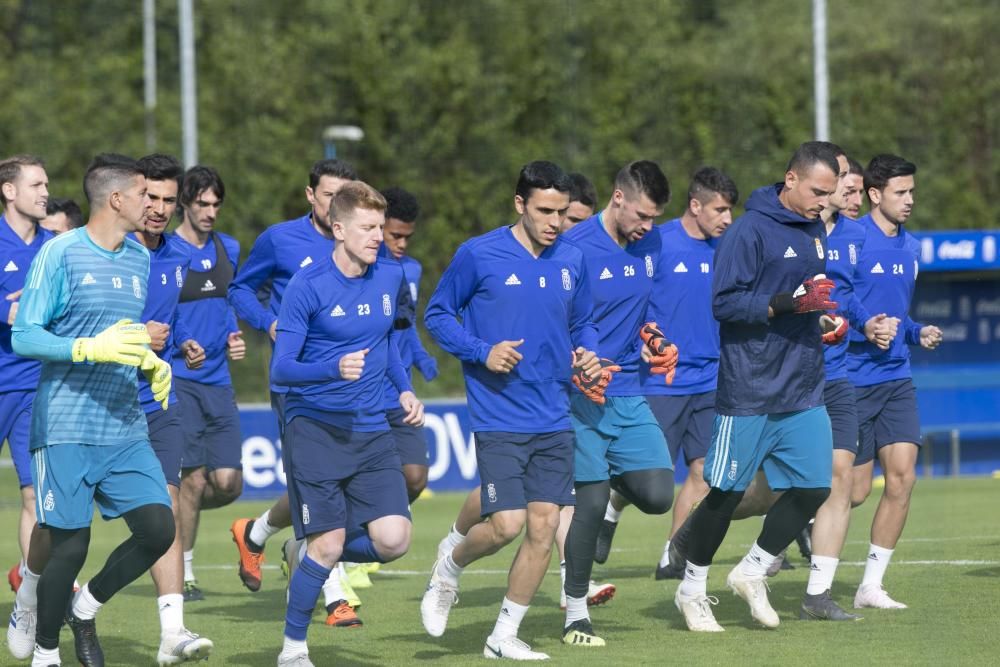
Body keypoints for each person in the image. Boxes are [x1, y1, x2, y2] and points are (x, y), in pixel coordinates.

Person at [420, 161, 601, 660]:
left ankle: (503, 636)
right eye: (545, 210)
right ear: (519, 204)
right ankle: (448, 569)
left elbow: (584, 321)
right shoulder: (478, 254)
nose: (555, 222)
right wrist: (483, 351)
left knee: (544, 529)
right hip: (498, 412)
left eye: (562, 213)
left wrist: (586, 349)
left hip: (554, 414)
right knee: (506, 525)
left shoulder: (573, 258)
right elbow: (437, 314)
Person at [11, 153, 175, 667]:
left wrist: (149, 362)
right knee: (70, 545)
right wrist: (86, 348)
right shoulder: (59, 253)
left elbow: (122, 335)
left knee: (158, 529)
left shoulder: (140, 258)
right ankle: (45, 651)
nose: (154, 204)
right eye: (146, 195)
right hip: (65, 424)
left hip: (124, 423)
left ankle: (85, 609)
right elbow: (25, 335)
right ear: (117, 199)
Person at [672, 141, 842, 632]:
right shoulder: (747, 231)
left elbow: (804, 298)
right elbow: (724, 305)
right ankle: (692, 590)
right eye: (817, 191)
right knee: (724, 493)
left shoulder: (814, 230)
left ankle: (750, 571)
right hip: (749, 389)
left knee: (814, 487)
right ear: (790, 179)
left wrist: (821, 317)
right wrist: (789, 304)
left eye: (829, 194)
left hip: (804, 385)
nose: (822, 202)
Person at [274, 181, 422, 667]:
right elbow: (281, 369)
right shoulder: (307, 284)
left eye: (381, 226)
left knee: (395, 539)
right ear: (338, 229)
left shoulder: (389, 277)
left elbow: (386, 345)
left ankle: (310, 553)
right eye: (367, 227)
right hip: (313, 426)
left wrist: (403, 388)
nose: (378, 236)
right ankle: (293, 649)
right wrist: (331, 369)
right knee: (331, 539)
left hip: (371, 426)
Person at [227, 159, 362, 625]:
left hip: (352, 385)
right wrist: (269, 322)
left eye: (347, 194)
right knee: (319, 482)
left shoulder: (365, 241)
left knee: (334, 482)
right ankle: (334, 593)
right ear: (310, 196)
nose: (337, 203)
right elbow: (241, 289)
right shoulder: (280, 239)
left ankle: (258, 532)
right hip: (298, 383)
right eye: (329, 195)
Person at [594, 167, 738, 579]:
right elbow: (636, 303)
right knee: (642, 476)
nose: (726, 219)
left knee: (703, 471)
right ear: (695, 206)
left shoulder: (726, 249)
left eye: (730, 211)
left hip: (711, 380)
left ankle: (673, 558)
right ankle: (612, 504)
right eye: (720, 210)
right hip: (659, 380)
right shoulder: (657, 242)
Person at [558, 160, 676, 646]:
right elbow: (550, 318)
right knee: (587, 503)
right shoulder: (573, 247)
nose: (648, 227)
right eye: (643, 215)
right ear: (618, 197)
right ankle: (575, 615)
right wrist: (574, 362)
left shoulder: (651, 243)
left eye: (655, 218)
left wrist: (652, 337)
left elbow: (641, 308)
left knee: (658, 493)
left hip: (628, 392)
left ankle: (604, 491)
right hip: (580, 395)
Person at [798, 150, 900, 620]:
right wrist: (809, 316)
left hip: (837, 375)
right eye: (846, 184)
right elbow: (778, 294)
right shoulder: (792, 228)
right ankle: (707, 551)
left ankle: (817, 595)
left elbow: (847, 297)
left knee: (843, 484)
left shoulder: (855, 236)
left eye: (855, 186)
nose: (850, 193)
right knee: (763, 487)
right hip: (791, 374)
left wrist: (864, 322)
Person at [847, 154, 942, 610]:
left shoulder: (913, 248)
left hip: (896, 375)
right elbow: (835, 312)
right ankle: (780, 543)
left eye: (912, 192)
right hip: (851, 379)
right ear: (874, 194)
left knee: (903, 479)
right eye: (901, 192)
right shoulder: (850, 241)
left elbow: (898, 318)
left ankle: (870, 586)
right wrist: (863, 328)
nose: (909, 200)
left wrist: (915, 331)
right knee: (856, 491)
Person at [131, 153, 214, 661]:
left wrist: (183, 342)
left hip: (156, 399)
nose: (159, 209)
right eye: (151, 198)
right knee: (65, 528)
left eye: (167, 200)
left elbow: (169, 319)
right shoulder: (106, 253)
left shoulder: (175, 257)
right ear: (131, 195)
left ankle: (172, 633)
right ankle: (34, 595)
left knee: (165, 510)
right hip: (96, 402)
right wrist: (139, 337)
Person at [170, 166, 244, 602]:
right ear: (185, 203)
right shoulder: (165, 251)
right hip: (181, 380)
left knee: (229, 482)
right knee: (193, 480)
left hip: (219, 381)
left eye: (216, 204)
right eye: (202, 203)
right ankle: (186, 569)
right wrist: (183, 342)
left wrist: (234, 334)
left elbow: (228, 302)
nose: (210, 211)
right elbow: (161, 310)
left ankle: (170, 513)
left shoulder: (227, 247)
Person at [2, 155, 54, 661]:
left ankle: (28, 600)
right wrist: (7, 309)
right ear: (9, 191)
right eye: (36, 184)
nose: (45, 191)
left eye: (46, 184)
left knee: (35, 499)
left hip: (30, 388)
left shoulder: (52, 248)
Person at [379, 186, 439, 502]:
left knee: (415, 477)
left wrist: (420, 355)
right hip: (365, 391)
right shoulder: (361, 269)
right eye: (394, 235)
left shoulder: (412, 270)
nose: (401, 244)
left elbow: (406, 324)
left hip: (400, 391)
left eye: (407, 237)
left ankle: (373, 531)